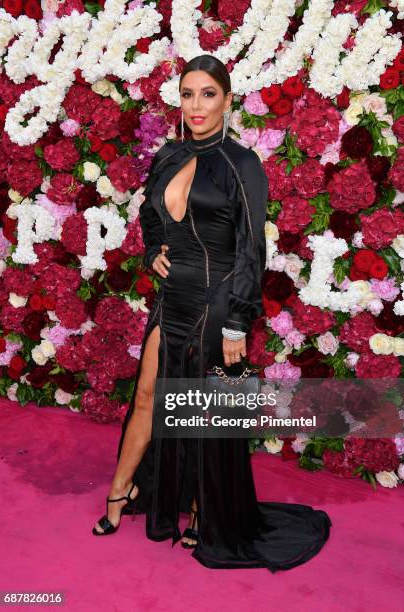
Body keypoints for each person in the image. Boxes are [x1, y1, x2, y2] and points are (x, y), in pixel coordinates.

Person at [92, 54, 332, 571]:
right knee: (147, 398)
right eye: (187, 94)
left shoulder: (242, 163)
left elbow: (251, 248)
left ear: (227, 99)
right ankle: (120, 490)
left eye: (207, 94)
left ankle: (205, 511)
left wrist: (236, 321)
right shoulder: (167, 157)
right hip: (172, 299)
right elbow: (150, 213)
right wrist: (152, 249)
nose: (196, 105)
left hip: (217, 301)